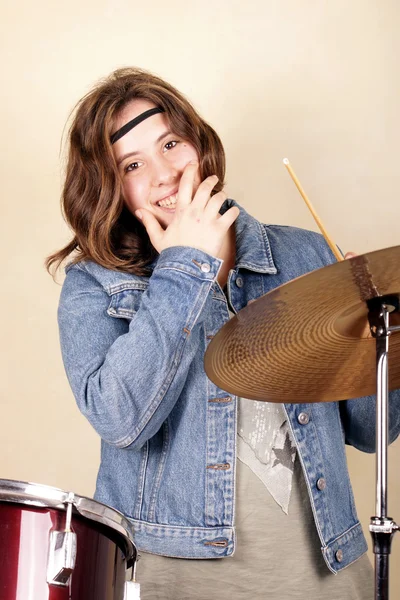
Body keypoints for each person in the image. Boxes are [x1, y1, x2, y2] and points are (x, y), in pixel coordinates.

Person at [47, 67, 400, 599]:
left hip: (325, 571)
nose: (164, 173)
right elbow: (121, 421)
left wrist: (381, 336)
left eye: (171, 142)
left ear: (200, 144)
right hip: (170, 576)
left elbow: (375, 430)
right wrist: (184, 266)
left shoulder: (305, 253)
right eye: (133, 164)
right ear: (109, 185)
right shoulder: (93, 283)